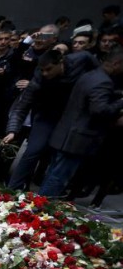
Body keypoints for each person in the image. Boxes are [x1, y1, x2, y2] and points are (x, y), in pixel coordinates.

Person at [35, 46, 123, 198]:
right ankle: (40, 207)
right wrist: (120, 102)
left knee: (53, 174)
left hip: (65, 134)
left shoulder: (90, 75)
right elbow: (100, 110)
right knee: (58, 179)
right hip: (76, 139)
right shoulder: (104, 81)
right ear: (117, 63)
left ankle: (39, 204)